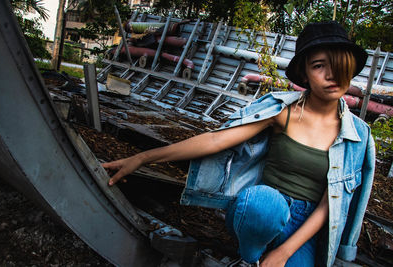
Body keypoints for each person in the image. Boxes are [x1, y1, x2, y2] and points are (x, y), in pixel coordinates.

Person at [102, 21, 375, 267]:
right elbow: (217, 139)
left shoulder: (357, 136)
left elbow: (330, 205)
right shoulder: (283, 112)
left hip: (306, 226)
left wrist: (284, 253)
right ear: (304, 74)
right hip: (258, 211)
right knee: (264, 204)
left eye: (339, 65)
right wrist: (142, 158)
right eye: (319, 66)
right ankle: (249, 259)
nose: (332, 75)